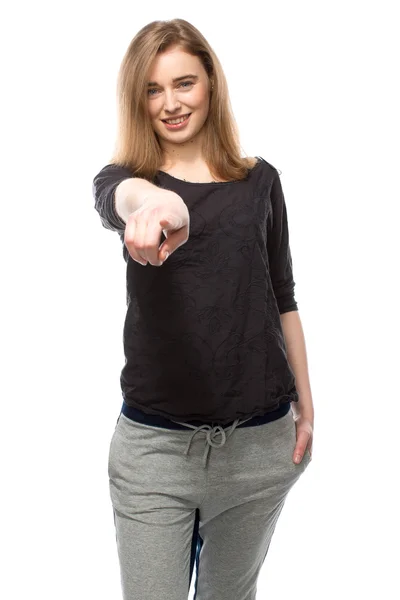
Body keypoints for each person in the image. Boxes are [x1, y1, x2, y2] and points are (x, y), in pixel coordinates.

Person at [92, 18, 314, 600]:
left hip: (258, 447)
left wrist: (307, 408)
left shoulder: (260, 181)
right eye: (152, 89)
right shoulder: (127, 183)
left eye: (184, 83)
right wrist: (157, 201)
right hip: (155, 453)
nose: (170, 103)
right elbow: (122, 200)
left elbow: (283, 295)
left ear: (211, 83)